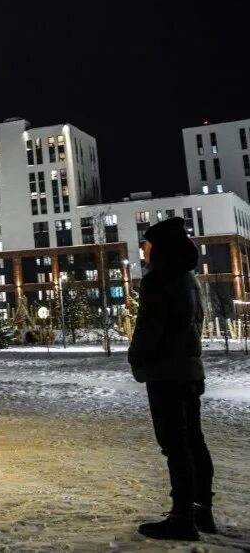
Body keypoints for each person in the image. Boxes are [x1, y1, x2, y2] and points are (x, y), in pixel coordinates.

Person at [128, 216, 215, 541]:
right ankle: (201, 511)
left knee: (175, 446)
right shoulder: (189, 279)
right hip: (189, 372)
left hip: (166, 373)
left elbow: (149, 329)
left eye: (147, 245)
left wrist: (135, 356)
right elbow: (197, 323)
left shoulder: (158, 281)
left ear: (159, 248)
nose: (144, 251)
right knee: (194, 440)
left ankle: (181, 518)